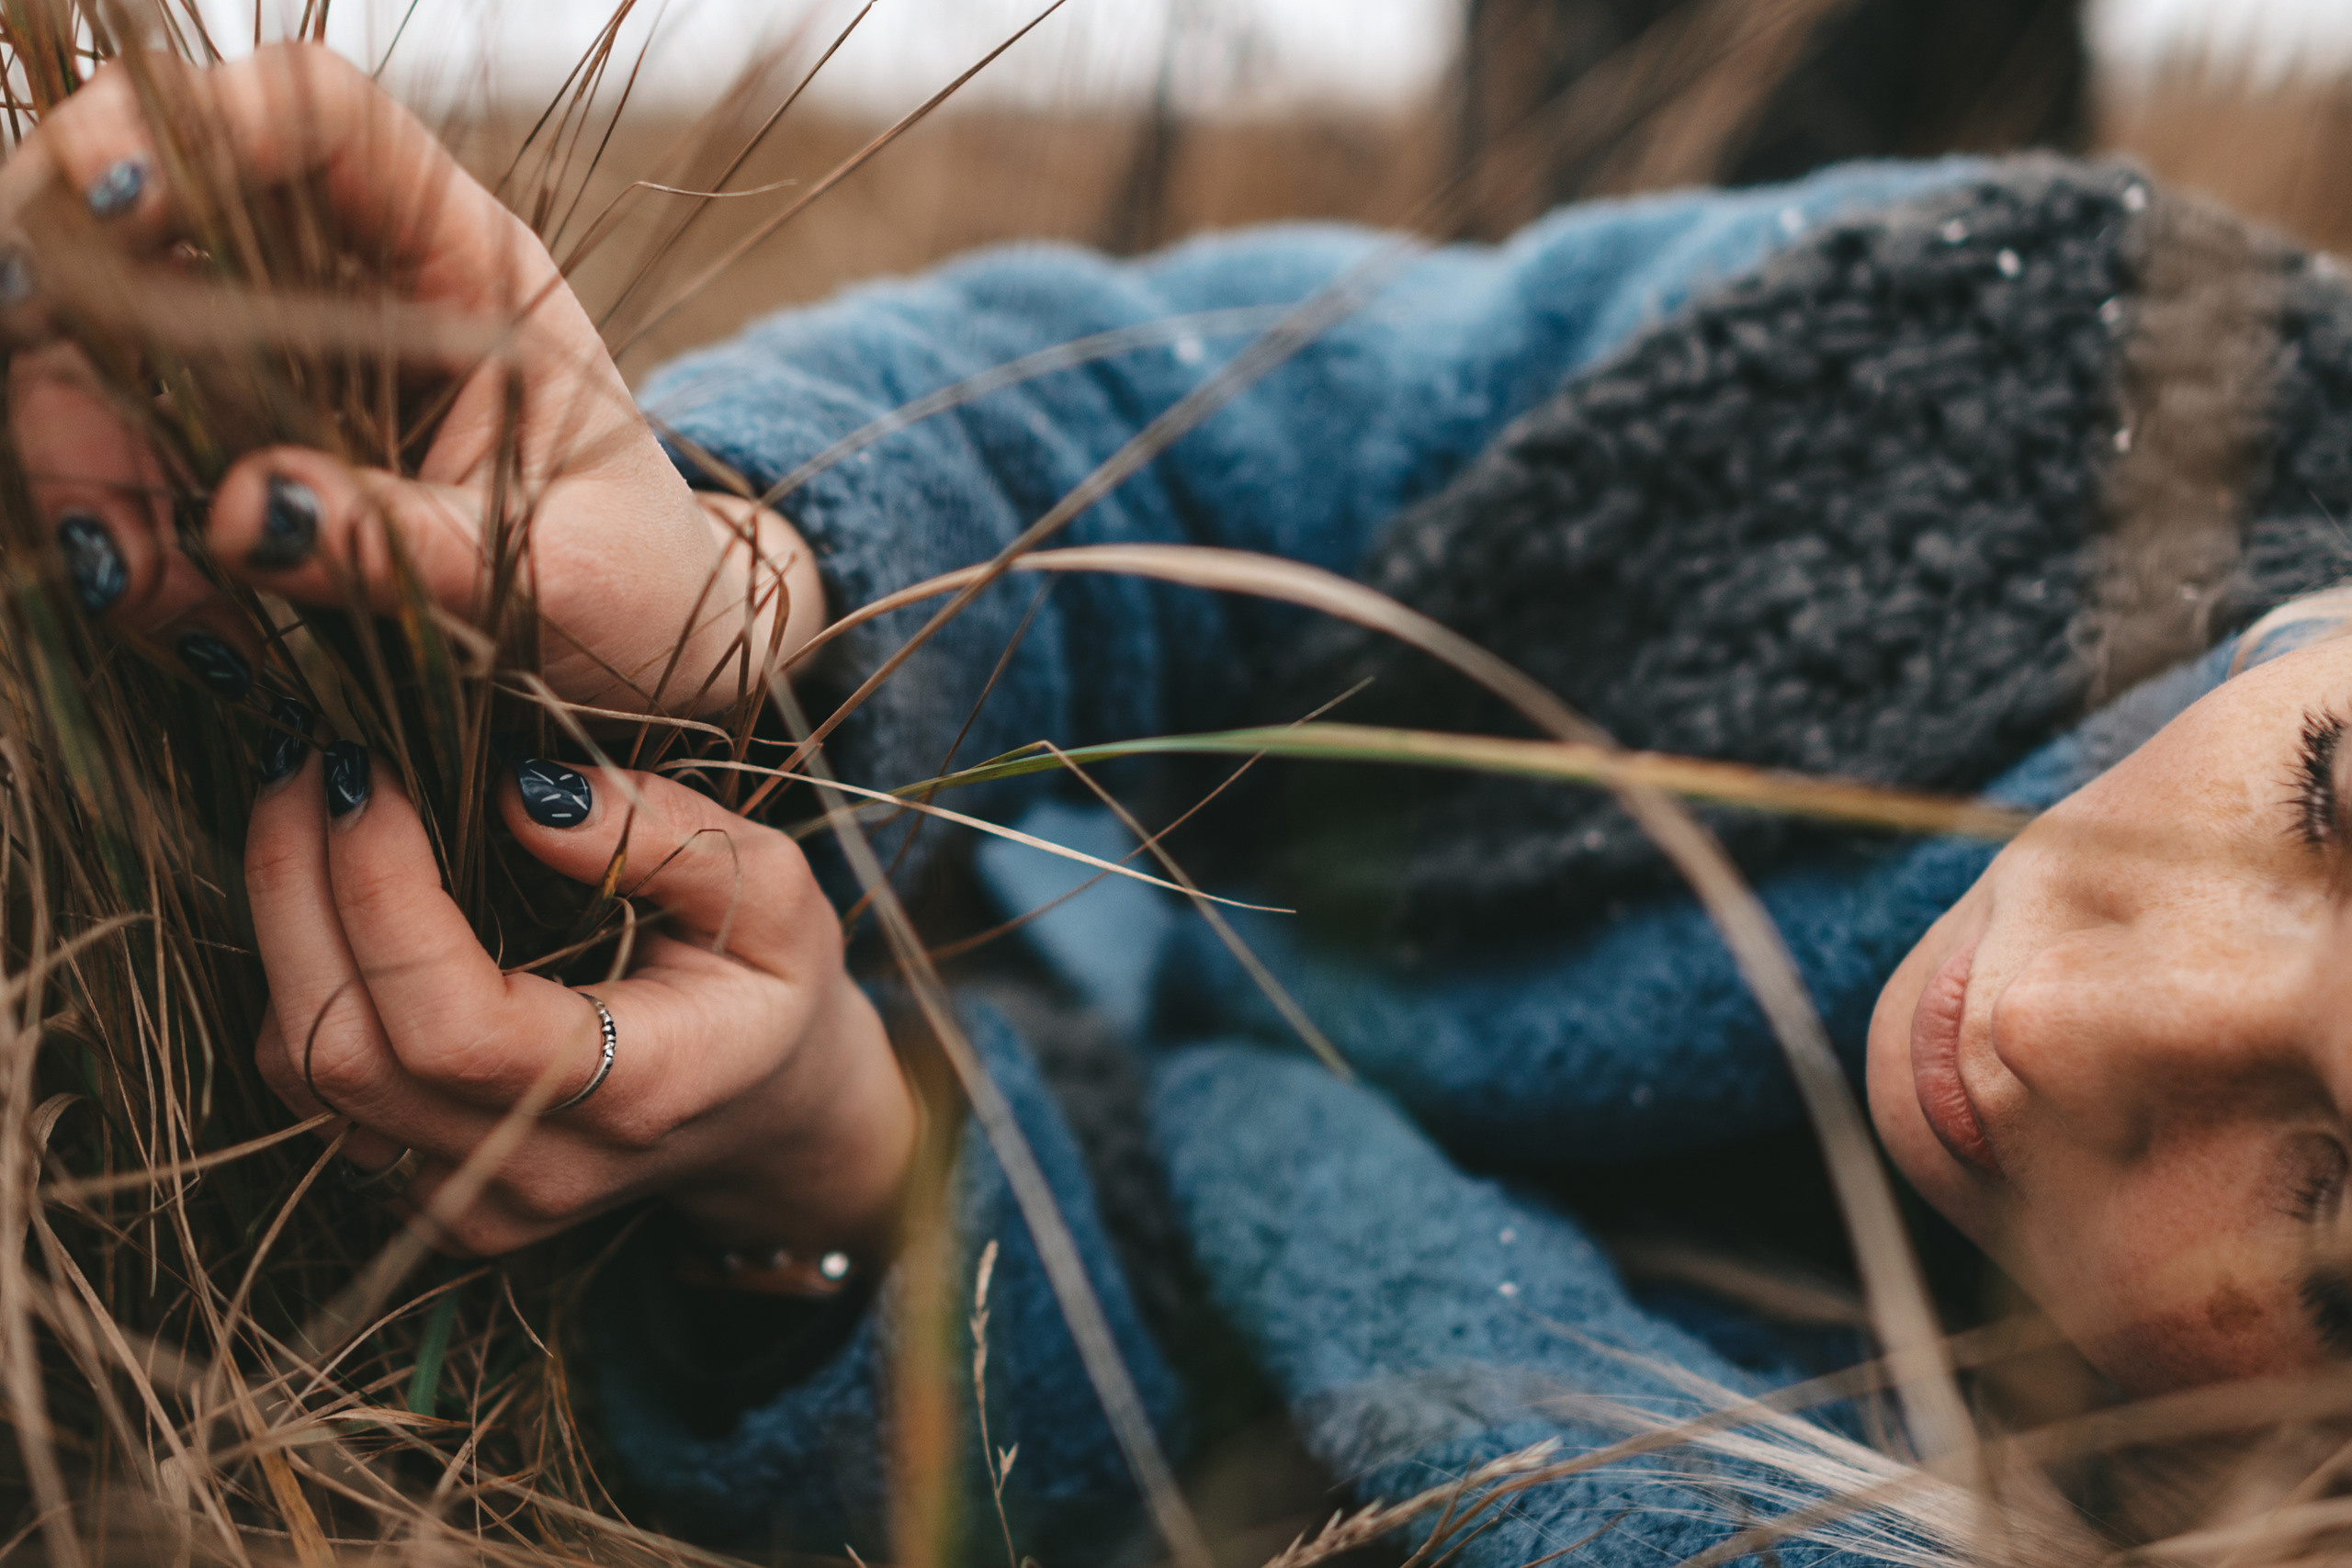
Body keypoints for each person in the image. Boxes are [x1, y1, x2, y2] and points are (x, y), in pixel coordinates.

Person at [15, 42, 2352, 1568]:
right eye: (2329, 799)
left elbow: (1274, 1464)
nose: (2072, 1013)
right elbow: (1259, 413)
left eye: (2330, 1200)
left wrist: (857, 1183)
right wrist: (767, 585)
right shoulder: (2042, 364)